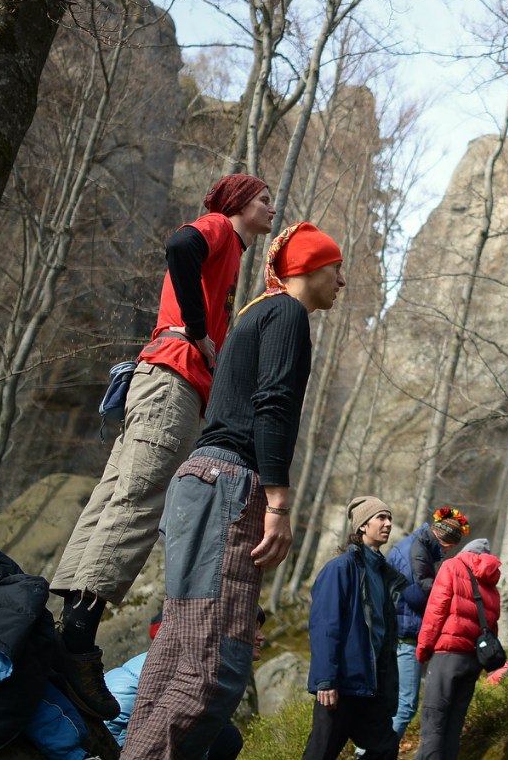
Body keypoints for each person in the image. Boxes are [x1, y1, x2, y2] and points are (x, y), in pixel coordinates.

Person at [50, 174, 275, 717]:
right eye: (264, 200)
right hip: (171, 377)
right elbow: (179, 246)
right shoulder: (220, 227)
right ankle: (78, 641)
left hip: (159, 380)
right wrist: (198, 330)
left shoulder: (232, 252)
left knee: (113, 496)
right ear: (240, 205)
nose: (271, 208)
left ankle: (59, 625)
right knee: (140, 500)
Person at [122, 221, 346, 758]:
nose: (342, 282)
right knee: (215, 667)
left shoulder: (253, 313)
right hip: (231, 484)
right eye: (337, 269)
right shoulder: (287, 312)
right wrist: (278, 502)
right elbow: (272, 406)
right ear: (309, 267)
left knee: (176, 651)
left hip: (199, 479)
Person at [301, 496, 409, 760]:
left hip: (370, 687)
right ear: (362, 526)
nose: (388, 524)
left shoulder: (384, 575)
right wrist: (326, 679)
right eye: (381, 518)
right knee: (321, 753)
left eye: (389, 518)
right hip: (341, 685)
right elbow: (325, 626)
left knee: (385, 747)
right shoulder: (340, 569)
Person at [105, 607, 268, 758]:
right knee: (227, 739)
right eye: (253, 628)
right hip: (112, 740)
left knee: (225, 736)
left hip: (111, 731)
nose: (261, 636)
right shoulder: (200, 667)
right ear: (231, 630)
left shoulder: (198, 657)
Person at [383, 506, 469, 742]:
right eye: (451, 546)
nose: (449, 551)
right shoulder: (416, 553)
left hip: (398, 634)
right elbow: (417, 595)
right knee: (406, 706)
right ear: (447, 541)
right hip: (405, 637)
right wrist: (451, 596)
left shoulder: (417, 546)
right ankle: (375, 754)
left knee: (391, 704)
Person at [413, 538, 500, 760]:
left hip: (447, 655)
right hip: (473, 660)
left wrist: (423, 648)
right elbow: (492, 625)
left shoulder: (452, 566)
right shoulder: (492, 584)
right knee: (454, 722)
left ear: (466, 552)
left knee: (434, 720)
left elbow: (436, 610)